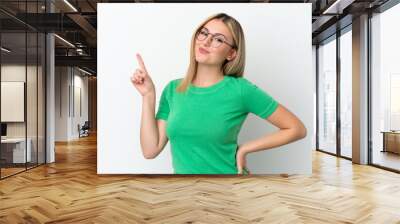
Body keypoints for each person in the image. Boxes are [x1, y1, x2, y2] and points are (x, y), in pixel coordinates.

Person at [130, 13, 307, 175]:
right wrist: (148, 96)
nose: (205, 42)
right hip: (185, 195)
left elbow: (296, 128)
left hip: (228, 192)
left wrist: (245, 148)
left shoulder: (241, 90)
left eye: (218, 39)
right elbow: (150, 150)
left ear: (231, 53)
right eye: (204, 33)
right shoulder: (173, 89)